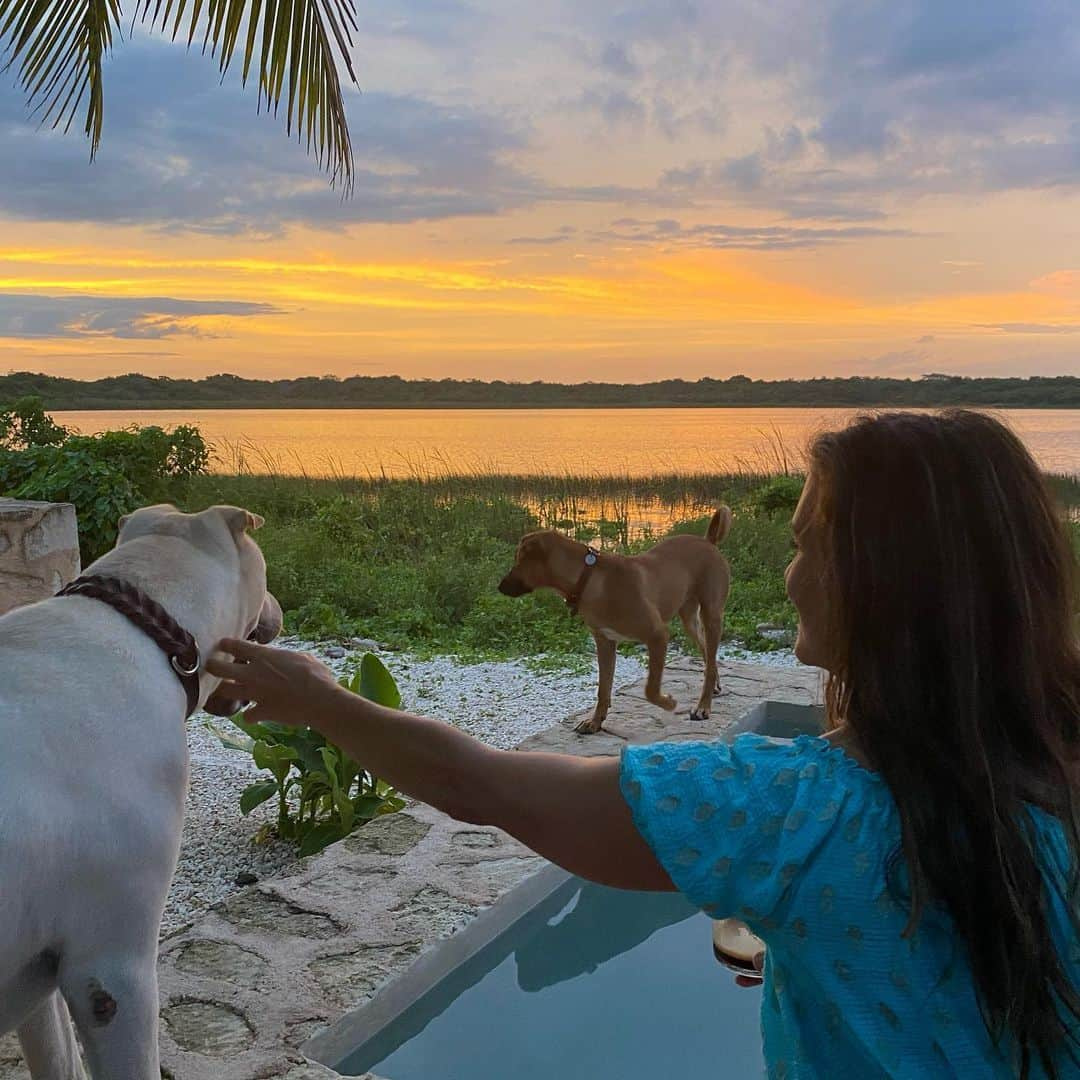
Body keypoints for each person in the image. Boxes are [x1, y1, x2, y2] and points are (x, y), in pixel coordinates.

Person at [208, 410, 1080, 1079]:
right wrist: (832, 945)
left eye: (810, 544)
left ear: (882, 582)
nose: (789, 571)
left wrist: (318, 699)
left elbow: (481, 786)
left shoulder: (791, 813)